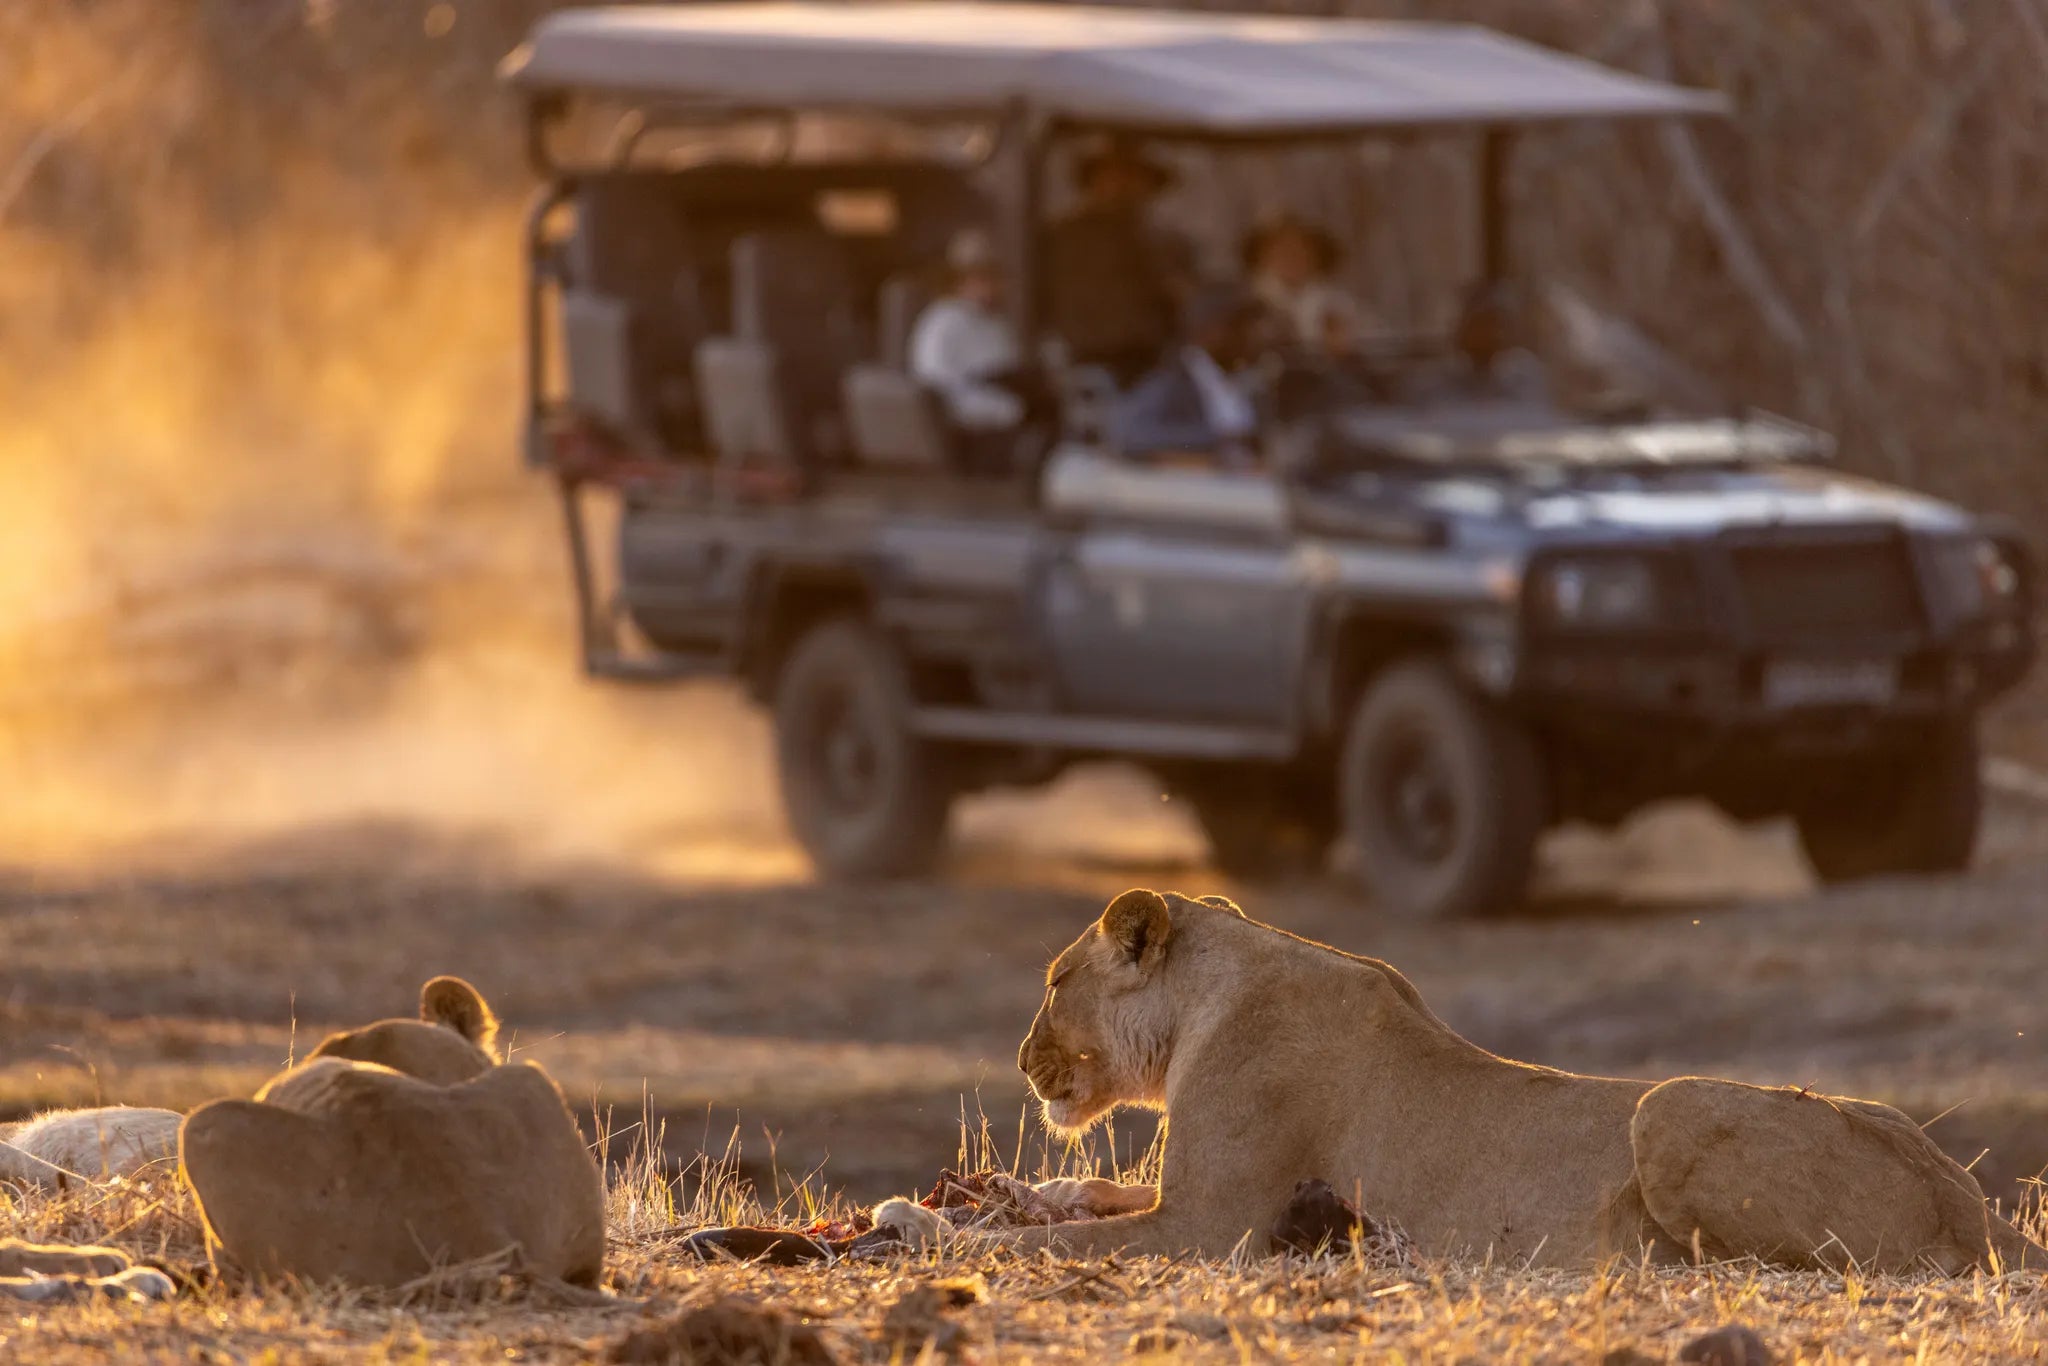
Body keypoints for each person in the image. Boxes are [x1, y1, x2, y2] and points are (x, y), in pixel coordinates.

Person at [1043, 136, 1194, 385]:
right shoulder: (1062, 238)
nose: (1123, 185)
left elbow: (1186, 304)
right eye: (1113, 175)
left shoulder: (1169, 242)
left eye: (1135, 176)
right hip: (1083, 359)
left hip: (1154, 364)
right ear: (1094, 180)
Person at [907, 229, 1049, 472]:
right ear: (960, 280)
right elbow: (934, 382)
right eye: (982, 278)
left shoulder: (995, 323)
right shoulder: (942, 322)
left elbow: (1010, 368)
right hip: (970, 431)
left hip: (1012, 418)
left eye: (994, 277)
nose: (993, 286)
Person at [1113, 280, 1264, 468]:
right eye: (1238, 328)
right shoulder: (1173, 380)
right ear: (1209, 330)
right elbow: (1129, 433)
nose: (1251, 337)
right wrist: (1216, 437)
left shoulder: (1253, 382)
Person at [1242, 215, 1369, 357]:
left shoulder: (1334, 302)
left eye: (1300, 251)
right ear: (1262, 258)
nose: (1290, 259)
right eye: (1280, 252)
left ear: (1317, 257)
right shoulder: (1250, 299)